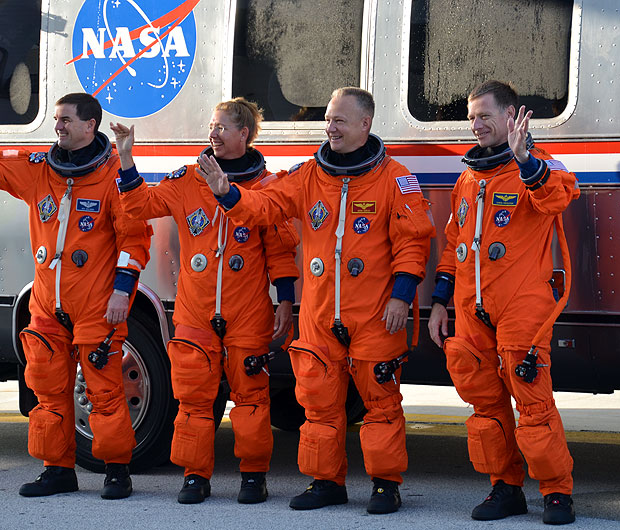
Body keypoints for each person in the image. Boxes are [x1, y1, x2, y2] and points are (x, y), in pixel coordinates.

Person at [201, 87, 435, 514]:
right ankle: (326, 482)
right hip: (321, 315)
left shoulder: (394, 178)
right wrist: (228, 194)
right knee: (319, 404)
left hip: (376, 314)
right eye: (328, 119)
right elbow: (265, 208)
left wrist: (402, 297)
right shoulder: (309, 176)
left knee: (381, 404)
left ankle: (385, 485)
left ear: (365, 124)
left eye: (340, 121)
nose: (331, 127)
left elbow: (413, 244)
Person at [0, 90, 152, 500]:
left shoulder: (113, 178)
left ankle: (117, 471)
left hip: (96, 305)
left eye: (66, 119)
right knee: (47, 391)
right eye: (56, 119)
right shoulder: (40, 169)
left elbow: (135, 239)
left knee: (103, 392)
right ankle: (57, 471)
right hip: (49, 304)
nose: (58, 126)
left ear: (90, 125)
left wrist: (123, 294)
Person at [113, 98, 299, 505]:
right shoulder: (186, 181)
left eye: (221, 127)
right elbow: (140, 206)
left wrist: (285, 301)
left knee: (251, 397)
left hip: (248, 312)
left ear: (244, 134)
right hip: (196, 311)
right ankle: (196, 476)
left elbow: (281, 253)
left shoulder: (266, 188)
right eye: (211, 126)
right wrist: (126, 159)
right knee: (194, 397)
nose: (212, 133)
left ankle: (253, 477)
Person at [427, 80, 580, 525]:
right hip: (471, 309)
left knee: (532, 403)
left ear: (512, 117)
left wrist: (525, 159)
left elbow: (558, 197)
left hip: (521, 306)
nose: (475, 125)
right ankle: (504, 487)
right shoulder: (468, 178)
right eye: (472, 117)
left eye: (484, 116)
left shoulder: (537, 165)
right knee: (485, 404)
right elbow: (453, 245)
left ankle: (556, 493)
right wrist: (439, 304)